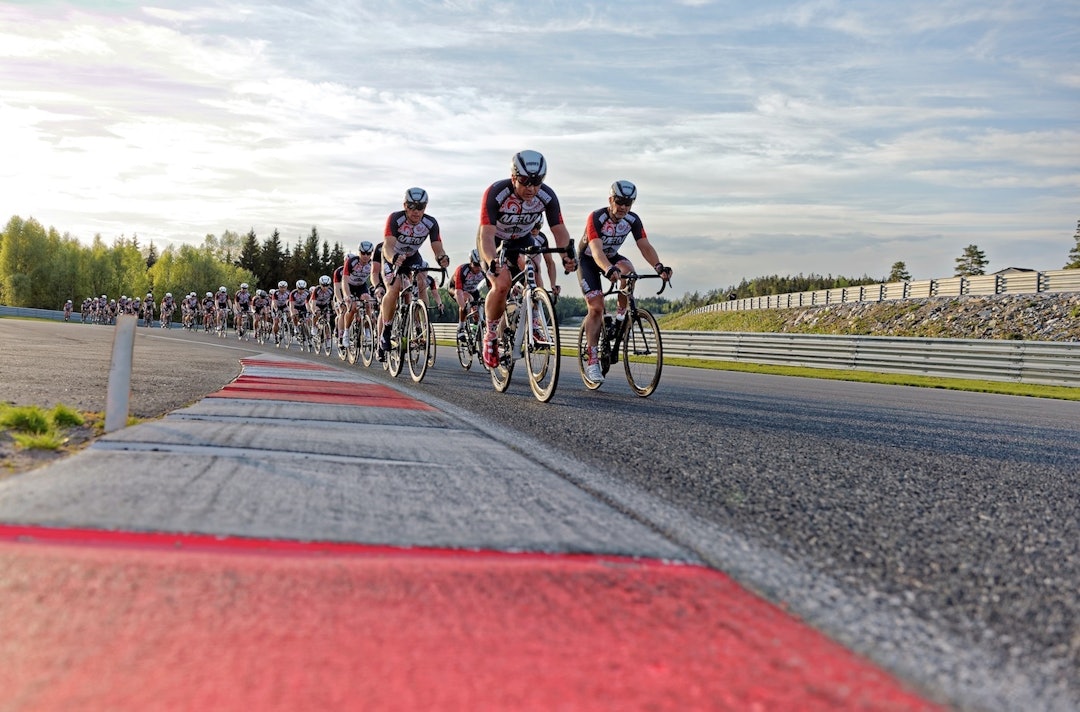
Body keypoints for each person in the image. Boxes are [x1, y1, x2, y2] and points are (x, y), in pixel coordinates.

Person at [476, 150, 576, 369]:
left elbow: (559, 231)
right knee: (502, 284)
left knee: (532, 266)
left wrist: (567, 256)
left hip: (522, 238)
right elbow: (486, 235)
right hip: (495, 241)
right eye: (525, 182)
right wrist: (492, 259)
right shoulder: (496, 193)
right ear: (514, 178)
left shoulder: (547, 196)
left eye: (537, 182)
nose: (531, 188)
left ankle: (536, 317)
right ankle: (491, 334)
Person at [577, 180, 672, 385]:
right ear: (611, 199)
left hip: (610, 256)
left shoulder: (632, 219)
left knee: (629, 273)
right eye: (620, 202)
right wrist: (608, 269)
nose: (624, 207)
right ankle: (592, 359)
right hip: (588, 260)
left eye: (628, 203)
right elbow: (595, 251)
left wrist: (659, 267)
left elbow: (644, 246)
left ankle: (620, 318)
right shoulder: (596, 217)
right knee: (596, 307)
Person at [376, 187, 450, 360]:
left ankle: (418, 320)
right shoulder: (396, 218)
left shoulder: (430, 223)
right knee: (394, 289)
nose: (416, 211)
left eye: (421, 207)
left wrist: (442, 258)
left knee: (422, 281)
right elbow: (387, 246)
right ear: (405, 205)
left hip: (412, 256)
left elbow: (437, 247)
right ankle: (385, 331)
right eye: (412, 206)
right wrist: (393, 258)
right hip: (392, 256)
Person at [341, 242, 376, 349]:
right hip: (350, 286)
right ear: (359, 252)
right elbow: (344, 280)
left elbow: (376, 276)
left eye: (368, 253)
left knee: (367, 301)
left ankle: (367, 329)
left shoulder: (372, 263)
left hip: (361, 286)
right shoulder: (352, 262)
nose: (366, 256)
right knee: (352, 307)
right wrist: (347, 295)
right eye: (363, 253)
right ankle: (346, 333)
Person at [450, 249, 490, 336]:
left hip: (473, 290)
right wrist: (464, 308)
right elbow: (458, 292)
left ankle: (475, 329)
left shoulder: (484, 270)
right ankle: (461, 327)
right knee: (467, 300)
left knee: (478, 311)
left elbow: (491, 287)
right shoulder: (462, 270)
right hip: (456, 289)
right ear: (470, 262)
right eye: (476, 265)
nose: (478, 268)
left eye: (480, 265)